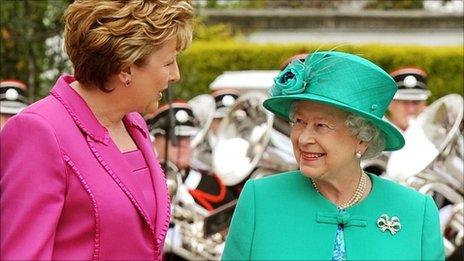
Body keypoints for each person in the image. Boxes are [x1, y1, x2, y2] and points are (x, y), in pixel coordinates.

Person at [0, 0, 193, 260]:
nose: (175, 75)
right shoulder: (38, 131)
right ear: (126, 66)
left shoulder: (134, 124)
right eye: (168, 62)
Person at [222, 51, 444, 260]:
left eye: (321, 125)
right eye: (299, 121)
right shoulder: (259, 199)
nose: (303, 138)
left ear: (362, 137)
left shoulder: (416, 211)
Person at [147, 101, 235, 211]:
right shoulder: (144, 182)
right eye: (174, 137)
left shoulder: (213, 185)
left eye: (187, 137)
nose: (182, 143)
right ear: (155, 141)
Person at [387, 67, 431, 131]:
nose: (411, 109)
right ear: (390, 104)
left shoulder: (435, 136)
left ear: (424, 104)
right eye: (404, 102)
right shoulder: (377, 139)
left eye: (416, 102)